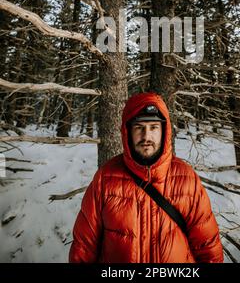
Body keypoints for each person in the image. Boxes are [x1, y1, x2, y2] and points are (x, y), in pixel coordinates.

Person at [69, 92, 223, 263]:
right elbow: (84, 248)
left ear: (164, 131)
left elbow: (208, 249)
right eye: (139, 127)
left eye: (153, 127)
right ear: (127, 131)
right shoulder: (105, 179)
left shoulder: (187, 180)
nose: (146, 136)